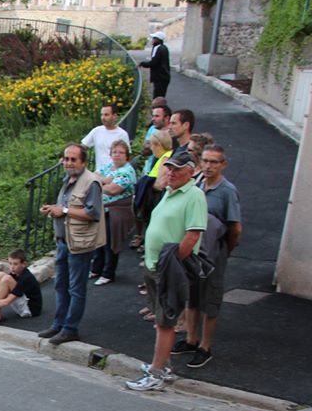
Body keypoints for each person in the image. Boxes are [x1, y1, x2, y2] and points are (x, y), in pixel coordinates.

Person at [126, 152, 207, 390]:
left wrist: (173, 264)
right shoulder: (170, 192)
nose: (170, 173)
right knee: (160, 320)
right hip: (155, 267)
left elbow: (193, 234)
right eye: (169, 168)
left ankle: (157, 372)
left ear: (190, 171)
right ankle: (164, 366)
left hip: (169, 270)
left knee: (164, 322)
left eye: (177, 169)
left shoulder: (194, 196)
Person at [171, 145, 242, 369]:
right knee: (193, 295)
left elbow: (236, 228)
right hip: (196, 252)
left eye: (214, 162)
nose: (209, 166)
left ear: (223, 165)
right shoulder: (198, 183)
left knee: (210, 299)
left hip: (214, 253)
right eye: (206, 161)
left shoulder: (227, 191)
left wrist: (226, 250)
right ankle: (191, 339)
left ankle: (205, 346)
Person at [37, 143, 104, 345]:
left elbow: (93, 213)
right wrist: (54, 209)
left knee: (76, 288)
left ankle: (70, 328)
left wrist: (64, 211)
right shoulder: (69, 180)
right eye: (66, 159)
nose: (68, 163)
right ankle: (59, 324)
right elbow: (66, 207)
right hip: (63, 242)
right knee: (61, 285)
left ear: (83, 162)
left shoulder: (91, 182)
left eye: (73, 159)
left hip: (80, 243)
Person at [90, 140, 136, 285]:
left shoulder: (127, 171)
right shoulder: (110, 167)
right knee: (99, 241)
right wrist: (106, 180)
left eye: (121, 152)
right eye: (114, 152)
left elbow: (114, 189)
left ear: (127, 156)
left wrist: (101, 182)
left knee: (110, 241)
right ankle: (96, 269)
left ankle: (108, 273)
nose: (117, 155)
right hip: (104, 208)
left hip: (118, 210)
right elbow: (92, 177)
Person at [0, 249, 42, 325]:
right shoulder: (16, 273)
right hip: (22, 303)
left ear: (24, 264)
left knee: (6, 279)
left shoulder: (26, 278)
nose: (12, 267)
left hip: (29, 310)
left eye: (15, 264)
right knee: (0, 275)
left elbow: (7, 301)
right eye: (10, 263)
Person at [81, 104, 130, 172]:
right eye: (102, 115)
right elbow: (83, 147)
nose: (103, 118)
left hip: (115, 174)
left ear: (114, 116)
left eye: (106, 115)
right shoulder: (96, 131)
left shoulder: (122, 134)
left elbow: (127, 156)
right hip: (99, 173)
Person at [140, 32, 171, 99]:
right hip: (164, 76)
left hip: (160, 76)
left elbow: (154, 62)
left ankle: (158, 108)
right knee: (161, 95)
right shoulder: (164, 47)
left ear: (158, 40)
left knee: (157, 96)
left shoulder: (157, 48)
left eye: (154, 38)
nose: (152, 40)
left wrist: (142, 64)